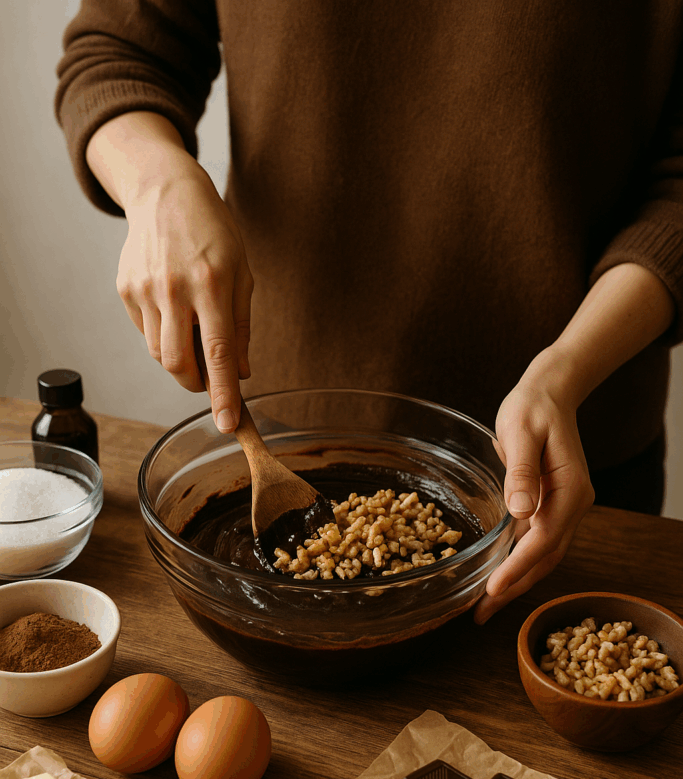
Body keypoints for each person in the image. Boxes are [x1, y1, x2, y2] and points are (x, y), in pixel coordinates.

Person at [55, 1, 682, 623]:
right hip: (287, 427)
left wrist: (564, 371)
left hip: (561, 474)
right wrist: (157, 184)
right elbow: (117, 51)